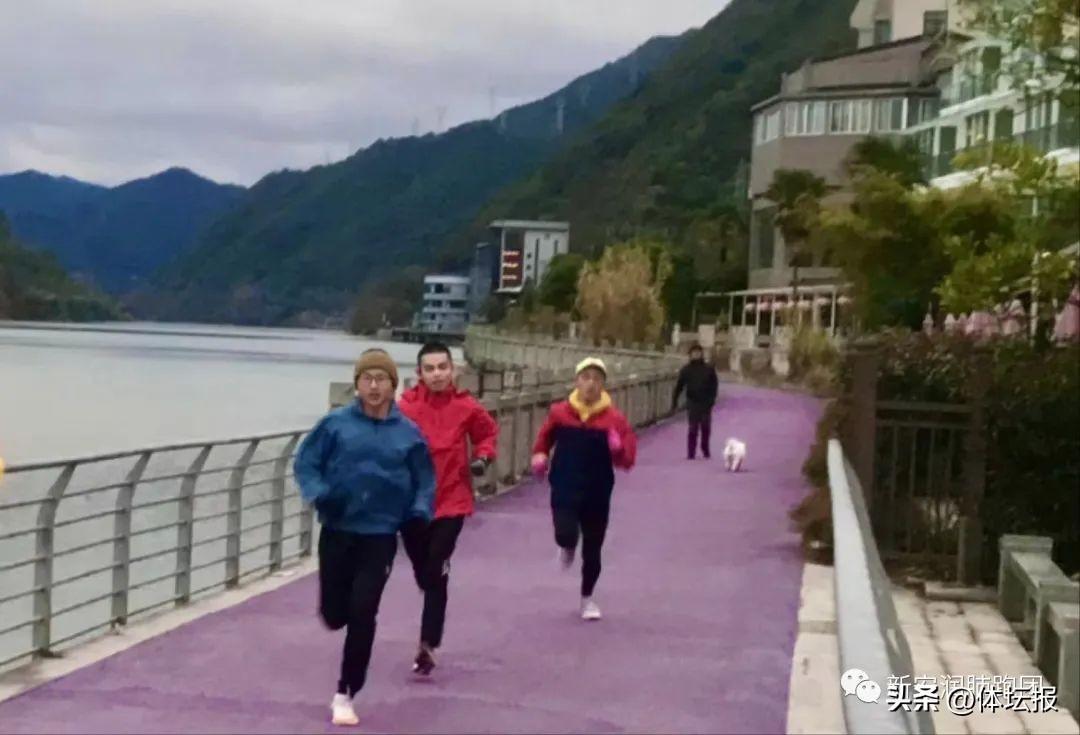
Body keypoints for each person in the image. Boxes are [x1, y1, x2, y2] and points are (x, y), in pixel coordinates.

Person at [294, 348, 435, 727]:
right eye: (367, 379)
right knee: (334, 615)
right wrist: (320, 493)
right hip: (338, 530)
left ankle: (346, 692)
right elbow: (306, 462)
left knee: (363, 612)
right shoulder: (335, 425)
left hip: (380, 535)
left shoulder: (408, 434)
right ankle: (333, 615)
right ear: (357, 384)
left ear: (393, 386)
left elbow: (424, 479)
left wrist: (419, 511)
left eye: (381, 379)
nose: (374, 386)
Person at [397, 341, 498, 676]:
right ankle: (431, 626)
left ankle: (428, 644)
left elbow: (487, 433)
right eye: (430, 369)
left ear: (453, 370)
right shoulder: (405, 408)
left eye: (443, 367)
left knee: (435, 566)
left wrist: (483, 456)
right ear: (419, 373)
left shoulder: (466, 406)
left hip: (452, 500)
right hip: (413, 504)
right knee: (426, 575)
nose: (437, 374)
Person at [531, 357, 636, 621]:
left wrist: (617, 449)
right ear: (576, 381)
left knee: (593, 547)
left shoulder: (614, 419)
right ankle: (567, 546)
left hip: (597, 488)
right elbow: (543, 440)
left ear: (603, 384)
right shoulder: (560, 413)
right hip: (565, 482)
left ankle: (587, 599)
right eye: (585, 377)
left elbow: (628, 460)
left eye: (597, 379)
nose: (591, 383)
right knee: (565, 533)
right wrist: (540, 456)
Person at [672, 343, 719, 459]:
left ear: (701, 354)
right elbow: (679, 386)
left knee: (705, 427)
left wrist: (712, 399)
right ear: (690, 355)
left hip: (706, 402)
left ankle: (705, 448)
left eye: (698, 353)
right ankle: (691, 452)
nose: (696, 355)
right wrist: (674, 401)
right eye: (694, 353)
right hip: (692, 402)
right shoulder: (686, 370)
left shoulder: (709, 369)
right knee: (693, 428)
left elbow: (714, 385)